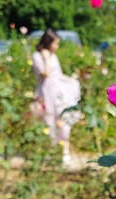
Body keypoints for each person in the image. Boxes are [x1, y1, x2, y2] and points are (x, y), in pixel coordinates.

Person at [31, 28, 81, 165]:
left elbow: (58, 75)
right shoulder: (37, 56)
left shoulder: (54, 56)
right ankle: (51, 152)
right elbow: (44, 74)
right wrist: (46, 58)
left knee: (63, 120)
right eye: (55, 43)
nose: (56, 47)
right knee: (49, 121)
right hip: (46, 93)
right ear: (48, 42)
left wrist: (71, 81)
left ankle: (64, 151)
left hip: (58, 92)